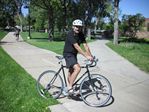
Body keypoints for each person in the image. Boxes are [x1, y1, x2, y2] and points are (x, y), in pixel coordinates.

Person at [63, 19, 93, 94]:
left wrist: (91, 56)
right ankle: (70, 87)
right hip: (68, 54)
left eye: (79, 27)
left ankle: (68, 88)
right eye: (76, 26)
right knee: (78, 68)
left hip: (74, 55)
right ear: (73, 27)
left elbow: (85, 46)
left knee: (71, 71)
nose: (78, 28)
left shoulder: (81, 34)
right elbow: (77, 47)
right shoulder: (70, 34)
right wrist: (86, 56)